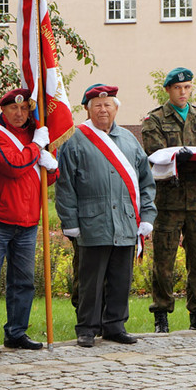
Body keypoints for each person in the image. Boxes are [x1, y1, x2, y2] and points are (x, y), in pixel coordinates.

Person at [56, 85, 156, 348]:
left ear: (116, 108)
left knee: (121, 278)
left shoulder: (129, 140)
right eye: (97, 105)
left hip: (125, 221)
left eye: (108, 104)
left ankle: (114, 325)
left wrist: (146, 216)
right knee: (91, 279)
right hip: (92, 222)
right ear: (87, 109)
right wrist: (71, 223)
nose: (103, 109)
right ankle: (87, 328)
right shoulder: (75, 140)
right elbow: (65, 185)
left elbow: (146, 182)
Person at [0, 88, 58, 356]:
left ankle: (17, 332)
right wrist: (37, 147)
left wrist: (49, 162)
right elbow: (13, 166)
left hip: (28, 220)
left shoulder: (35, 132)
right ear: (3, 109)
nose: (20, 113)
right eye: (14, 109)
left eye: (25, 108)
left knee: (23, 282)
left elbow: (46, 177)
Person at [141, 67, 196, 333]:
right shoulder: (155, 119)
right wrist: (176, 157)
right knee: (164, 261)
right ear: (168, 90)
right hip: (168, 201)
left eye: (187, 87)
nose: (183, 92)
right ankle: (161, 313)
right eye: (177, 88)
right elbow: (154, 152)